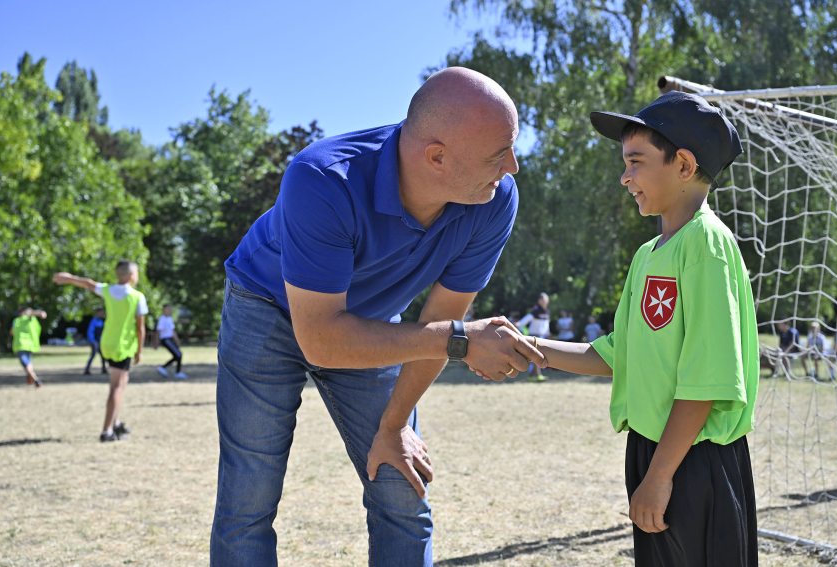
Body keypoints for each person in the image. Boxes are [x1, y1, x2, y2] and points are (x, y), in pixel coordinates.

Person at [211, 67, 545, 566]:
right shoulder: (322, 179)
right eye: (500, 154)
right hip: (267, 307)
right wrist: (458, 341)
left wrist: (394, 429)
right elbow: (325, 339)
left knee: (401, 489)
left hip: (370, 324)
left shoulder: (492, 198)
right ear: (436, 156)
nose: (513, 167)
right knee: (249, 498)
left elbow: (442, 319)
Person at [474, 92, 759, 565]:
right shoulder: (647, 256)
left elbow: (706, 379)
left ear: (684, 165)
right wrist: (530, 346)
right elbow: (613, 355)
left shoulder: (707, 244)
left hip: (694, 460)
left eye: (636, 162)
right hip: (651, 450)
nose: (625, 177)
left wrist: (662, 476)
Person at [53, 261, 148, 442]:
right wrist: (139, 351)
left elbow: (88, 283)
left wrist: (68, 278)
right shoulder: (137, 296)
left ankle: (116, 422)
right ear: (131, 276)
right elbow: (140, 328)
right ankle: (107, 431)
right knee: (117, 388)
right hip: (123, 346)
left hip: (107, 343)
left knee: (119, 383)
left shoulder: (109, 290)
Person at [517, 293, 551, 381]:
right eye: (543, 299)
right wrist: (518, 325)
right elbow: (525, 320)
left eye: (546, 299)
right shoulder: (536, 310)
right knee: (537, 356)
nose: (545, 301)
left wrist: (548, 333)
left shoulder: (547, 311)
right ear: (539, 301)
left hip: (543, 336)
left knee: (537, 356)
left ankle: (531, 376)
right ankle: (538, 375)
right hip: (534, 336)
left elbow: (546, 324)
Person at [10, 307, 46, 388]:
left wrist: (40, 313)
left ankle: (36, 380)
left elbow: (11, 332)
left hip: (20, 345)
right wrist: (40, 313)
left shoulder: (18, 320)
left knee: (26, 363)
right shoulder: (28, 319)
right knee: (28, 363)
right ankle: (31, 379)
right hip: (30, 345)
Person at [154, 304, 187, 379]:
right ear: (164, 310)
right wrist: (156, 343)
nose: (169, 310)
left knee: (178, 355)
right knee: (178, 355)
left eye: (170, 309)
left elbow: (173, 331)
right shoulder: (162, 319)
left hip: (170, 339)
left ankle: (164, 368)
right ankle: (175, 372)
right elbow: (158, 332)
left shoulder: (169, 318)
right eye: (167, 309)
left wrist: (177, 340)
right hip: (165, 340)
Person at [84, 307, 107, 375]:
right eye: (101, 312)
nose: (102, 314)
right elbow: (90, 332)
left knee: (103, 356)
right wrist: (92, 341)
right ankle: (87, 369)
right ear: (97, 313)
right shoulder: (94, 321)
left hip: (101, 341)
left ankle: (104, 369)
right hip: (95, 342)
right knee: (93, 355)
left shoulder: (102, 321)